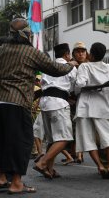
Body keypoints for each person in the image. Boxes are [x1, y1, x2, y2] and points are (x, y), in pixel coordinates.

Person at [0, 18, 77, 194]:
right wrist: (70, 65)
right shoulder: (30, 51)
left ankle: (0, 177)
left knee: (1, 140)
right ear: (27, 35)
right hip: (17, 100)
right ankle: (16, 183)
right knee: (20, 142)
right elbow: (55, 69)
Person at [74, 42, 109, 179]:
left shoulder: (84, 66)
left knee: (88, 139)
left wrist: (76, 89)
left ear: (90, 54)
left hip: (86, 107)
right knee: (108, 137)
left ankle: (100, 166)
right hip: (103, 108)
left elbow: (80, 84)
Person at [34, 43, 77, 179]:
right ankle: (43, 163)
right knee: (65, 138)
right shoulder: (69, 66)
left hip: (45, 103)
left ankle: (50, 169)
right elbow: (77, 87)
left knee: (52, 139)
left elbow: (42, 84)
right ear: (67, 54)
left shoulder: (49, 67)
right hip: (58, 103)